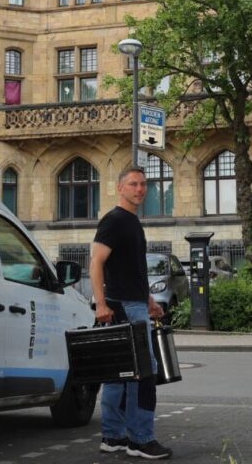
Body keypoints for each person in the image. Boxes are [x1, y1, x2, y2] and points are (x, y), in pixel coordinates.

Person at [89, 165, 172, 460]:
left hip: (133, 304)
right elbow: (96, 262)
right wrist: (100, 303)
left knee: (119, 374)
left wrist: (148, 299)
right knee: (142, 375)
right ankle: (140, 440)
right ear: (119, 188)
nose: (140, 189)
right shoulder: (114, 221)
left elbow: (131, 270)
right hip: (123, 306)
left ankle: (113, 437)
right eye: (133, 184)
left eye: (143, 185)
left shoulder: (132, 223)